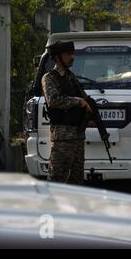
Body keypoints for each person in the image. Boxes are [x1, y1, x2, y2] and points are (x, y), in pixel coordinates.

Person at [41, 41, 92, 185]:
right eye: (68, 54)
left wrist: (88, 115)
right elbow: (53, 100)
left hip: (77, 135)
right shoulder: (49, 78)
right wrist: (78, 101)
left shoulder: (71, 77)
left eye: (72, 53)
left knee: (76, 181)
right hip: (62, 137)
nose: (72, 57)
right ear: (58, 57)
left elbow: (84, 99)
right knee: (57, 179)